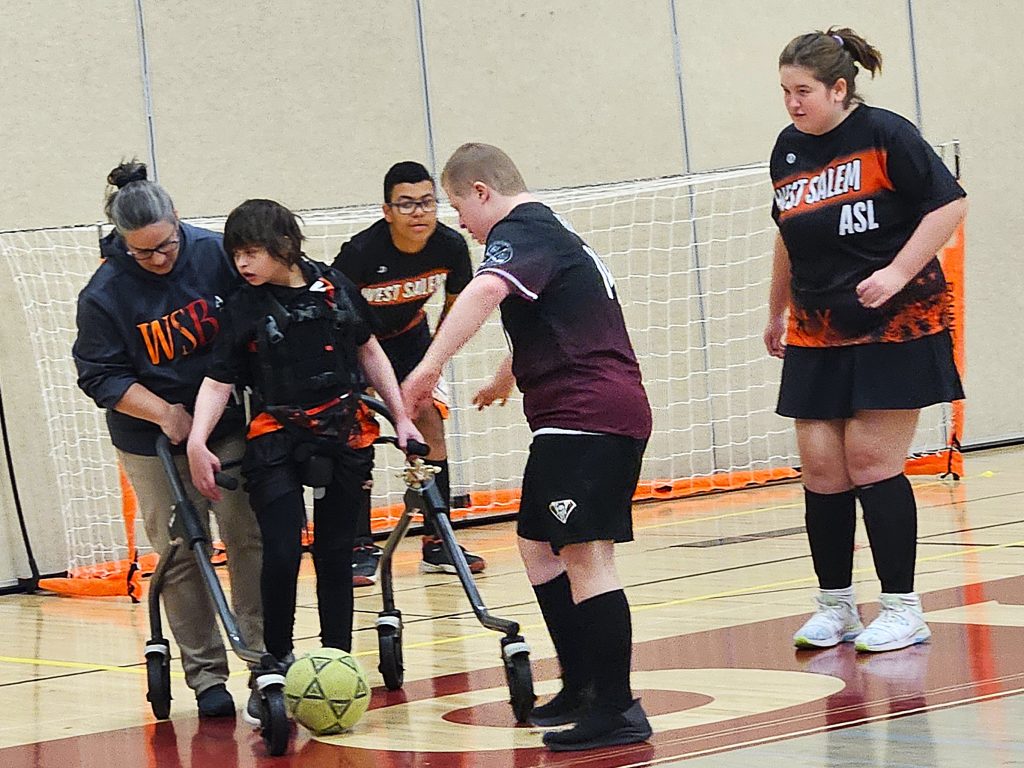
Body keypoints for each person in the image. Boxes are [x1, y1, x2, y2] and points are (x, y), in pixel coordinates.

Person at [402, 143, 653, 752]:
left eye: (459, 206)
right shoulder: (554, 234)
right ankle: (582, 686)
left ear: (483, 192)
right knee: (537, 544)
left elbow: (485, 293)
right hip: (578, 414)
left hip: (589, 415)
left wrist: (429, 368)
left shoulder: (522, 230)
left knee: (584, 552)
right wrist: (506, 375)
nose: (459, 222)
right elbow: (563, 315)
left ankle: (616, 708)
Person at [765, 28, 967, 653]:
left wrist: (898, 272)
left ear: (839, 88)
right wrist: (775, 311)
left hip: (896, 325)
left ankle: (903, 608)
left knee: (872, 466)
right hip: (816, 328)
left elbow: (949, 205)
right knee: (822, 471)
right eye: (785, 92)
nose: (793, 103)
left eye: (803, 91)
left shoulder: (887, 133)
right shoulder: (788, 150)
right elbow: (787, 234)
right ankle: (836, 606)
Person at [187, 199, 420, 671]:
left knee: (337, 553)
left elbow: (370, 353)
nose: (242, 264)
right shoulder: (241, 307)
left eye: (252, 252)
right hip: (276, 435)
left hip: (345, 430)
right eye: (236, 254)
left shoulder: (336, 288)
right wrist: (197, 440)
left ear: (286, 245)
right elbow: (218, 380)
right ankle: (275, 658)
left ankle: (338, 659)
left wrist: (403, 418)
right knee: (282, 550)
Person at [73, 161, 264, 719]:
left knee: (245, 531)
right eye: (143, 253)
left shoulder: (211, 255)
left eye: (165, 245)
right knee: (181, 549)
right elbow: (100, 376)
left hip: (226, 423)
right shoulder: (105, 293)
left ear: (178, 219)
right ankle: (206, 677)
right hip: (151, 436)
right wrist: (165, 415)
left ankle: (262, 657)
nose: (160, 260)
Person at [333, 161, 485, 585]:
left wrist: (432, 362)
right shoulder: (359, 254)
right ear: (387, 211)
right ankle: (358, 545)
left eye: (426, 202)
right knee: (355, 434)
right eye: (406, 204)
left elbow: (457, 310)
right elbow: (335, 315)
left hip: (411, 338)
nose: (418, 212)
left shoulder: (452, 247)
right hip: (358, 347)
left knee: (429, 426)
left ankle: (438, 541)